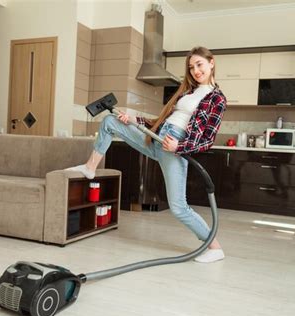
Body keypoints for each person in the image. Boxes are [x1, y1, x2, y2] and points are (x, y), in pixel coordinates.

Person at [67, 46, 227, 263]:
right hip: (157, 138)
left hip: (173, 147)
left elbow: (207, 139)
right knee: (110, 121)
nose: (195, 71)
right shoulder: (186, 92)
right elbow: (159, 122)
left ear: (211, 62)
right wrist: (133, 119)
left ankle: (214, 247)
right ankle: (90, 168)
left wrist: (178, 147)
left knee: (179, 208)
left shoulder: (216, 98)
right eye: (191, 67)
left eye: (199, 65)